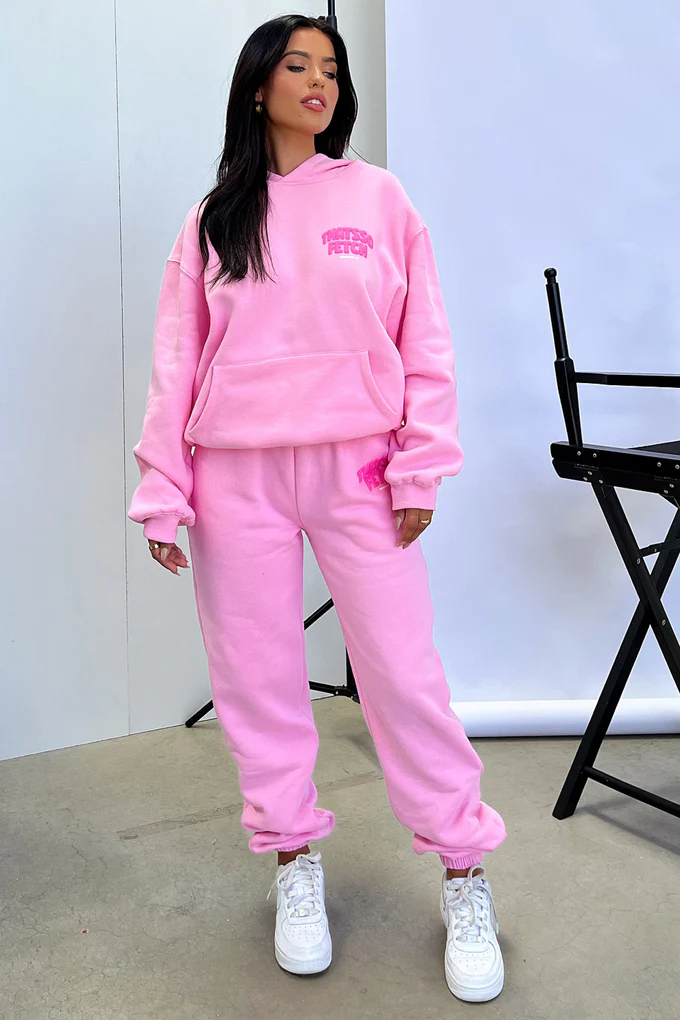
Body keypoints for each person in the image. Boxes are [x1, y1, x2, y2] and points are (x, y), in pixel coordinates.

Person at [127, 13, 507, 1004]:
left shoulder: (379, 198)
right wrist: (163, 487)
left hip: (360, 469)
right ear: (257, 87)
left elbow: (424, 339)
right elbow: (178, 359)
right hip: (235, 475)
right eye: (296, 65)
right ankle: (293, 859)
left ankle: (463, 868)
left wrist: (420, 467)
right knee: (256, 679)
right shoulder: (215, 216)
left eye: (330, 67)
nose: (318, 80)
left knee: (403, 675)